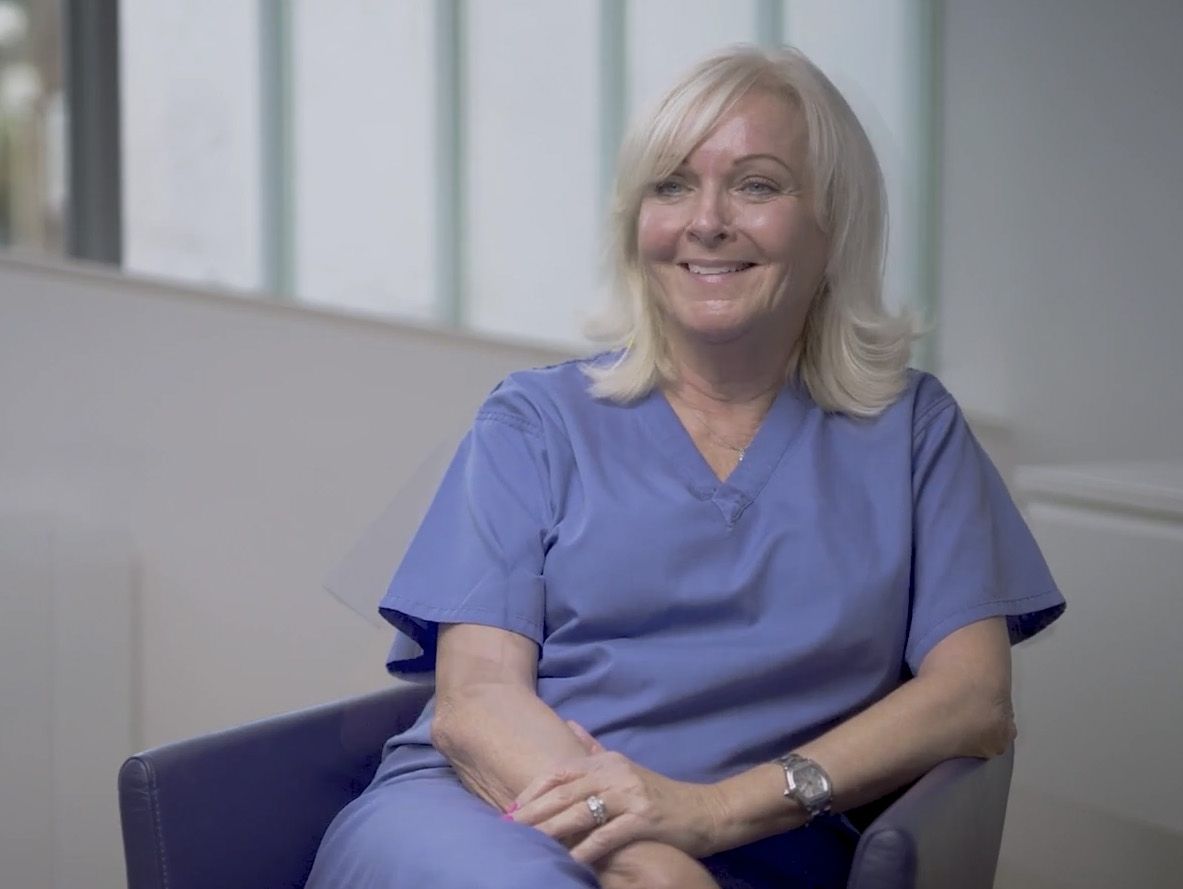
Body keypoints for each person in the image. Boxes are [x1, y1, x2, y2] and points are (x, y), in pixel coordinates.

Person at [306, 44, 1065, 889]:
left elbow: (974, 701)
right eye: (671, 185)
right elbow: (476, 701)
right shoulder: (533, 421)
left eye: (757, 183)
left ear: (834, 222)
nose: (706, 220)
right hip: (497, 819)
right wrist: (649, 857)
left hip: (764, 841)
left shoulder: (914, 431)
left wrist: (713, 814)